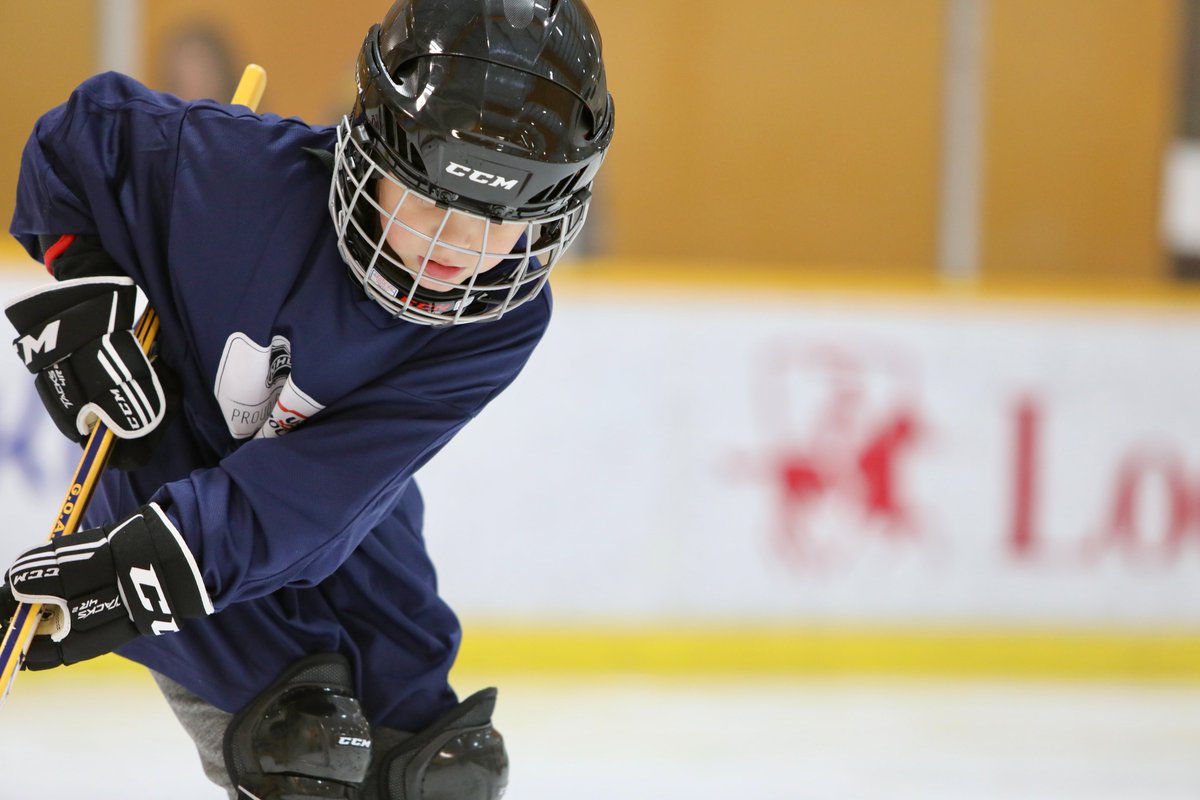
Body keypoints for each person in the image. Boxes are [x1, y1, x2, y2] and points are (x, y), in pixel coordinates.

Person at [0, 0, 614, 797]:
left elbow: (320, 497)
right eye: (431, 200)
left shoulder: (499, 322)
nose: (455, 250)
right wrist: (83, 298)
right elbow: (77, 141)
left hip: (329, 519)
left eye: (503, 221)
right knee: (302, 749)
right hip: (171, 464)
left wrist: (137, 577)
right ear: (375, 146)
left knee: (442, 770)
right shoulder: (234, 177)